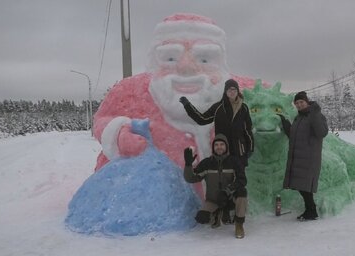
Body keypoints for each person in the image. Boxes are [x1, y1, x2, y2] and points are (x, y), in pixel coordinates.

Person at [92, 13, 258, 178]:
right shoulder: (131, 90)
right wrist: (118, 134)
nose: (187, 67)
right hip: (153, 194)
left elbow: (278, 105)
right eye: (171, 58)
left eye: (204, 59)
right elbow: (103, 119)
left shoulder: (244, 91)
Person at [183, 134, 248, 238]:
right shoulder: (207, 163)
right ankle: (217, 214)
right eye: (216, 145)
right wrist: (188, 165)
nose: (219, 147)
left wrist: (227, 191)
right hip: (213, 200)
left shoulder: (234, 161)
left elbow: (242, 180)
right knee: (202, 218)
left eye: (222, 144)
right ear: (213, 147)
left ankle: (239, 224)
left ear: (226, 146)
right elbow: (191, 178)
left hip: (230, 198)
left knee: (242, 192)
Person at [179, 78, 254, 168]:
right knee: (224, 178)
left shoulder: (244, 108)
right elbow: (201, 119)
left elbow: (248, 130)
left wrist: (250, 148)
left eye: (234, 89)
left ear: (238, 91)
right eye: (229, 90)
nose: (232, 92)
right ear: (225, 92)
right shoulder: (218, 108)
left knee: (239, 179)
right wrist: (188, 106)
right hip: (222, 151)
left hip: (240, 152)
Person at [278, 91, 328, 220]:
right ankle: (310, 210)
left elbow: (322, 132)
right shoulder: (299, 117)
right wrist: (285, 123)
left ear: (307, 102)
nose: (299, 105)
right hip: (299, 157)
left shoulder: (315, 115)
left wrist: (314, 114)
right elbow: (293, 135)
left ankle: (311, 211)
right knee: (302, 186)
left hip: (309, 158)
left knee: (305, 185)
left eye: (301, 102)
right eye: (297, 103)